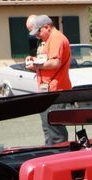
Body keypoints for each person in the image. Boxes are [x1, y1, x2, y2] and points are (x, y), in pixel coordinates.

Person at [27, 15, 72, 144]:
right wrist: (35, 61)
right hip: (49, 91)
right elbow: (48, 62)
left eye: (39, 32)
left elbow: (55, 63)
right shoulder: (50, 39)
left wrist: (36, 65)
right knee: (49, 129)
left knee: (55, 132)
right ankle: (50, 155)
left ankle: (58, 158)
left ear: (47, 27)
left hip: (55, 91)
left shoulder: (56, 38)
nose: (37, 36)